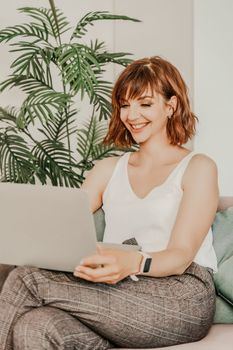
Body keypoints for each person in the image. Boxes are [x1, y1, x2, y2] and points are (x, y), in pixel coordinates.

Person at [0, 56, 218, 350]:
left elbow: (180, 255)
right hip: (118, 292)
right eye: (125, 105)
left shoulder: (198, 167)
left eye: (144, 103)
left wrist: (134, 261)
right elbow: (59, 227)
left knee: (28, 280)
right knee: (35, 325)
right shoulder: (107, 170)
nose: (132, 114)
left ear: (171, 105)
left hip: (182, 294)